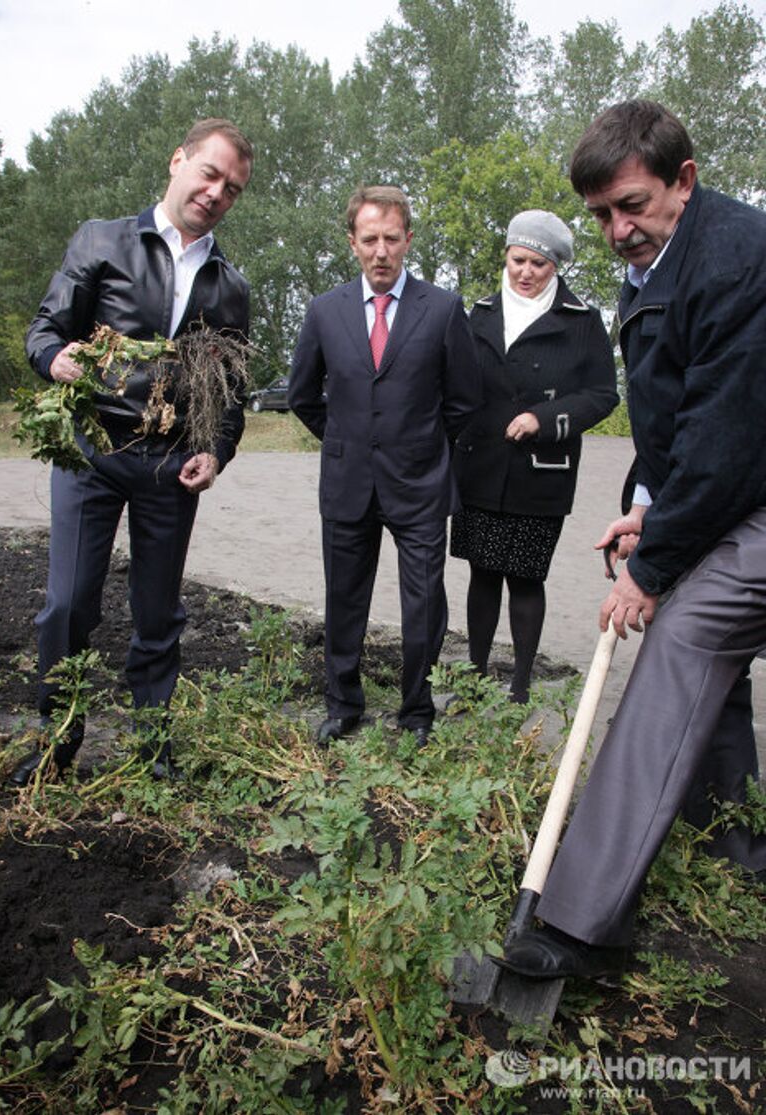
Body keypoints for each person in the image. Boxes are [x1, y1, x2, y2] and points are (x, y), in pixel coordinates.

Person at [497, 100, 766, 982]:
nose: (617, 229)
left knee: (683, 635)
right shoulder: (652, 259)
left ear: (684, 180)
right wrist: (650, 505)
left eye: (633, 205)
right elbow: (675, 419)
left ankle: (572, 927)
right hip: (734, 483)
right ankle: (733, 844)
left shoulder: (738, 258)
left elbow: (728, 436)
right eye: (602, 214)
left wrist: (650, 569)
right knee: (701, 640)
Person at [8, 118, 253, 786]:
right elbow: (45, 328)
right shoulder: (102, 240)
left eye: (231, 188)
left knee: (157, 613)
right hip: (91, 451)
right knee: (67, 604)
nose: (216, 192)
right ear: (178, 161)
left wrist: (217, 452)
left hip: (169, 468)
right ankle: (58, 740)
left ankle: (152, 749)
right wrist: (54, 357)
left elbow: (229, 393)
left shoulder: (229, 287)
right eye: (209, 173)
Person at [288, 185, 479, 747]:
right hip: (347, 482)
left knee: (423, 604)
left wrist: (420, 444)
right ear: (352, 243)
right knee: (344, 598)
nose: (380, 251)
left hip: (419, 484)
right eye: (369, 239)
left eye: (391, 239)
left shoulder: (442, 309)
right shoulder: (325, 311)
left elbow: (465, 400)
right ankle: (342, 704)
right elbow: (302, 396)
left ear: (407, 241)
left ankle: (417, 710)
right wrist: (347, 440)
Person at [450, 211, 618, 703]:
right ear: (506, 255)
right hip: (479, 466)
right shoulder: (478, 312)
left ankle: (520, 685)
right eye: (518, 259)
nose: (525, 271)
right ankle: (475, 677)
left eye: (539, 263)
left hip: (539, 473)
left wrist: (544, 419)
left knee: (524, 579)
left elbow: (603, 395)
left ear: (556, 266)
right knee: (482, 573)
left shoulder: (583, 320)